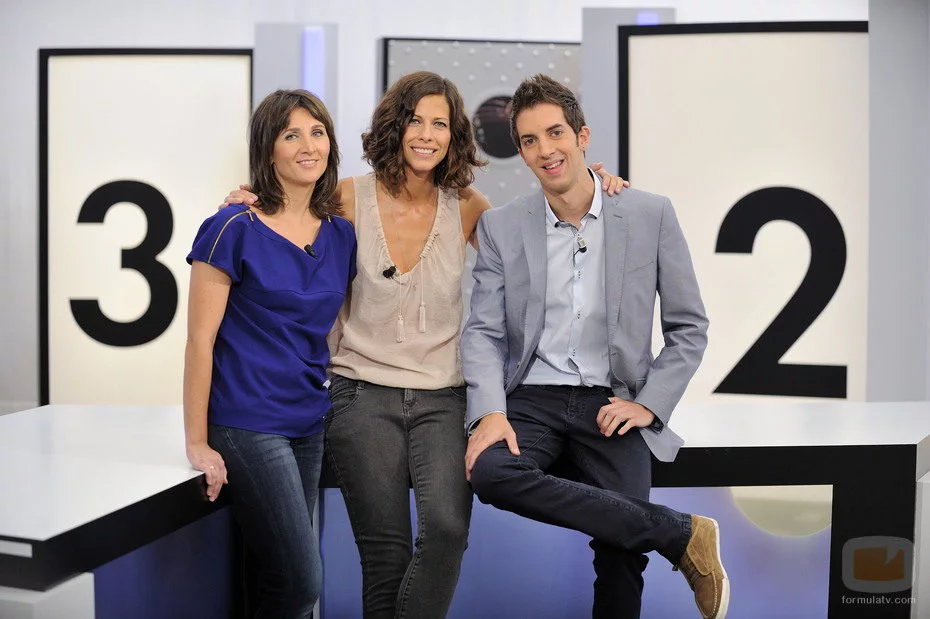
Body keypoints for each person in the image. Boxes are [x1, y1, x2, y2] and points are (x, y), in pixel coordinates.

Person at [223, 71, 625, 619]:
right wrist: (245, 199)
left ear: (454, 135)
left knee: (446, 532)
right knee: (384, 553)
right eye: (415, 120)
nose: (427, 134)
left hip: (444, 396)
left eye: (440, 124)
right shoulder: (345, 199)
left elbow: (544, 235)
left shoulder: (469, 206)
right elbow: (283, 217)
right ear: (395, 125)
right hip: (359, 394)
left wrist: (595, 185)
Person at [461, 74, 728, 619]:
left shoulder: (649, 214)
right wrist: (489, 411)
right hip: (530, 398)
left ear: (582, 136)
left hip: (614, 400)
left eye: (555, 133)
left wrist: (648, 404)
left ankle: (656, 531)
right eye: (530, 140)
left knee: (621, 551)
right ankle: (679, 533)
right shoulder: (501, 227)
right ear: (521, 153)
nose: (545, 150)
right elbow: (483, 332)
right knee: (490, 473)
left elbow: (689, 327)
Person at [183, 89, 356, 618]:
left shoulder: (341, 234)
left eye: (317, 132)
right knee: (302, 581)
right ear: (268, 149)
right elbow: (199, 341)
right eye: (291, 135)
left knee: (276, 579)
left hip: (309, 418)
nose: (308, 146)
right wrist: (196, 441)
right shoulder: (231, 228)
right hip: (247, 421)